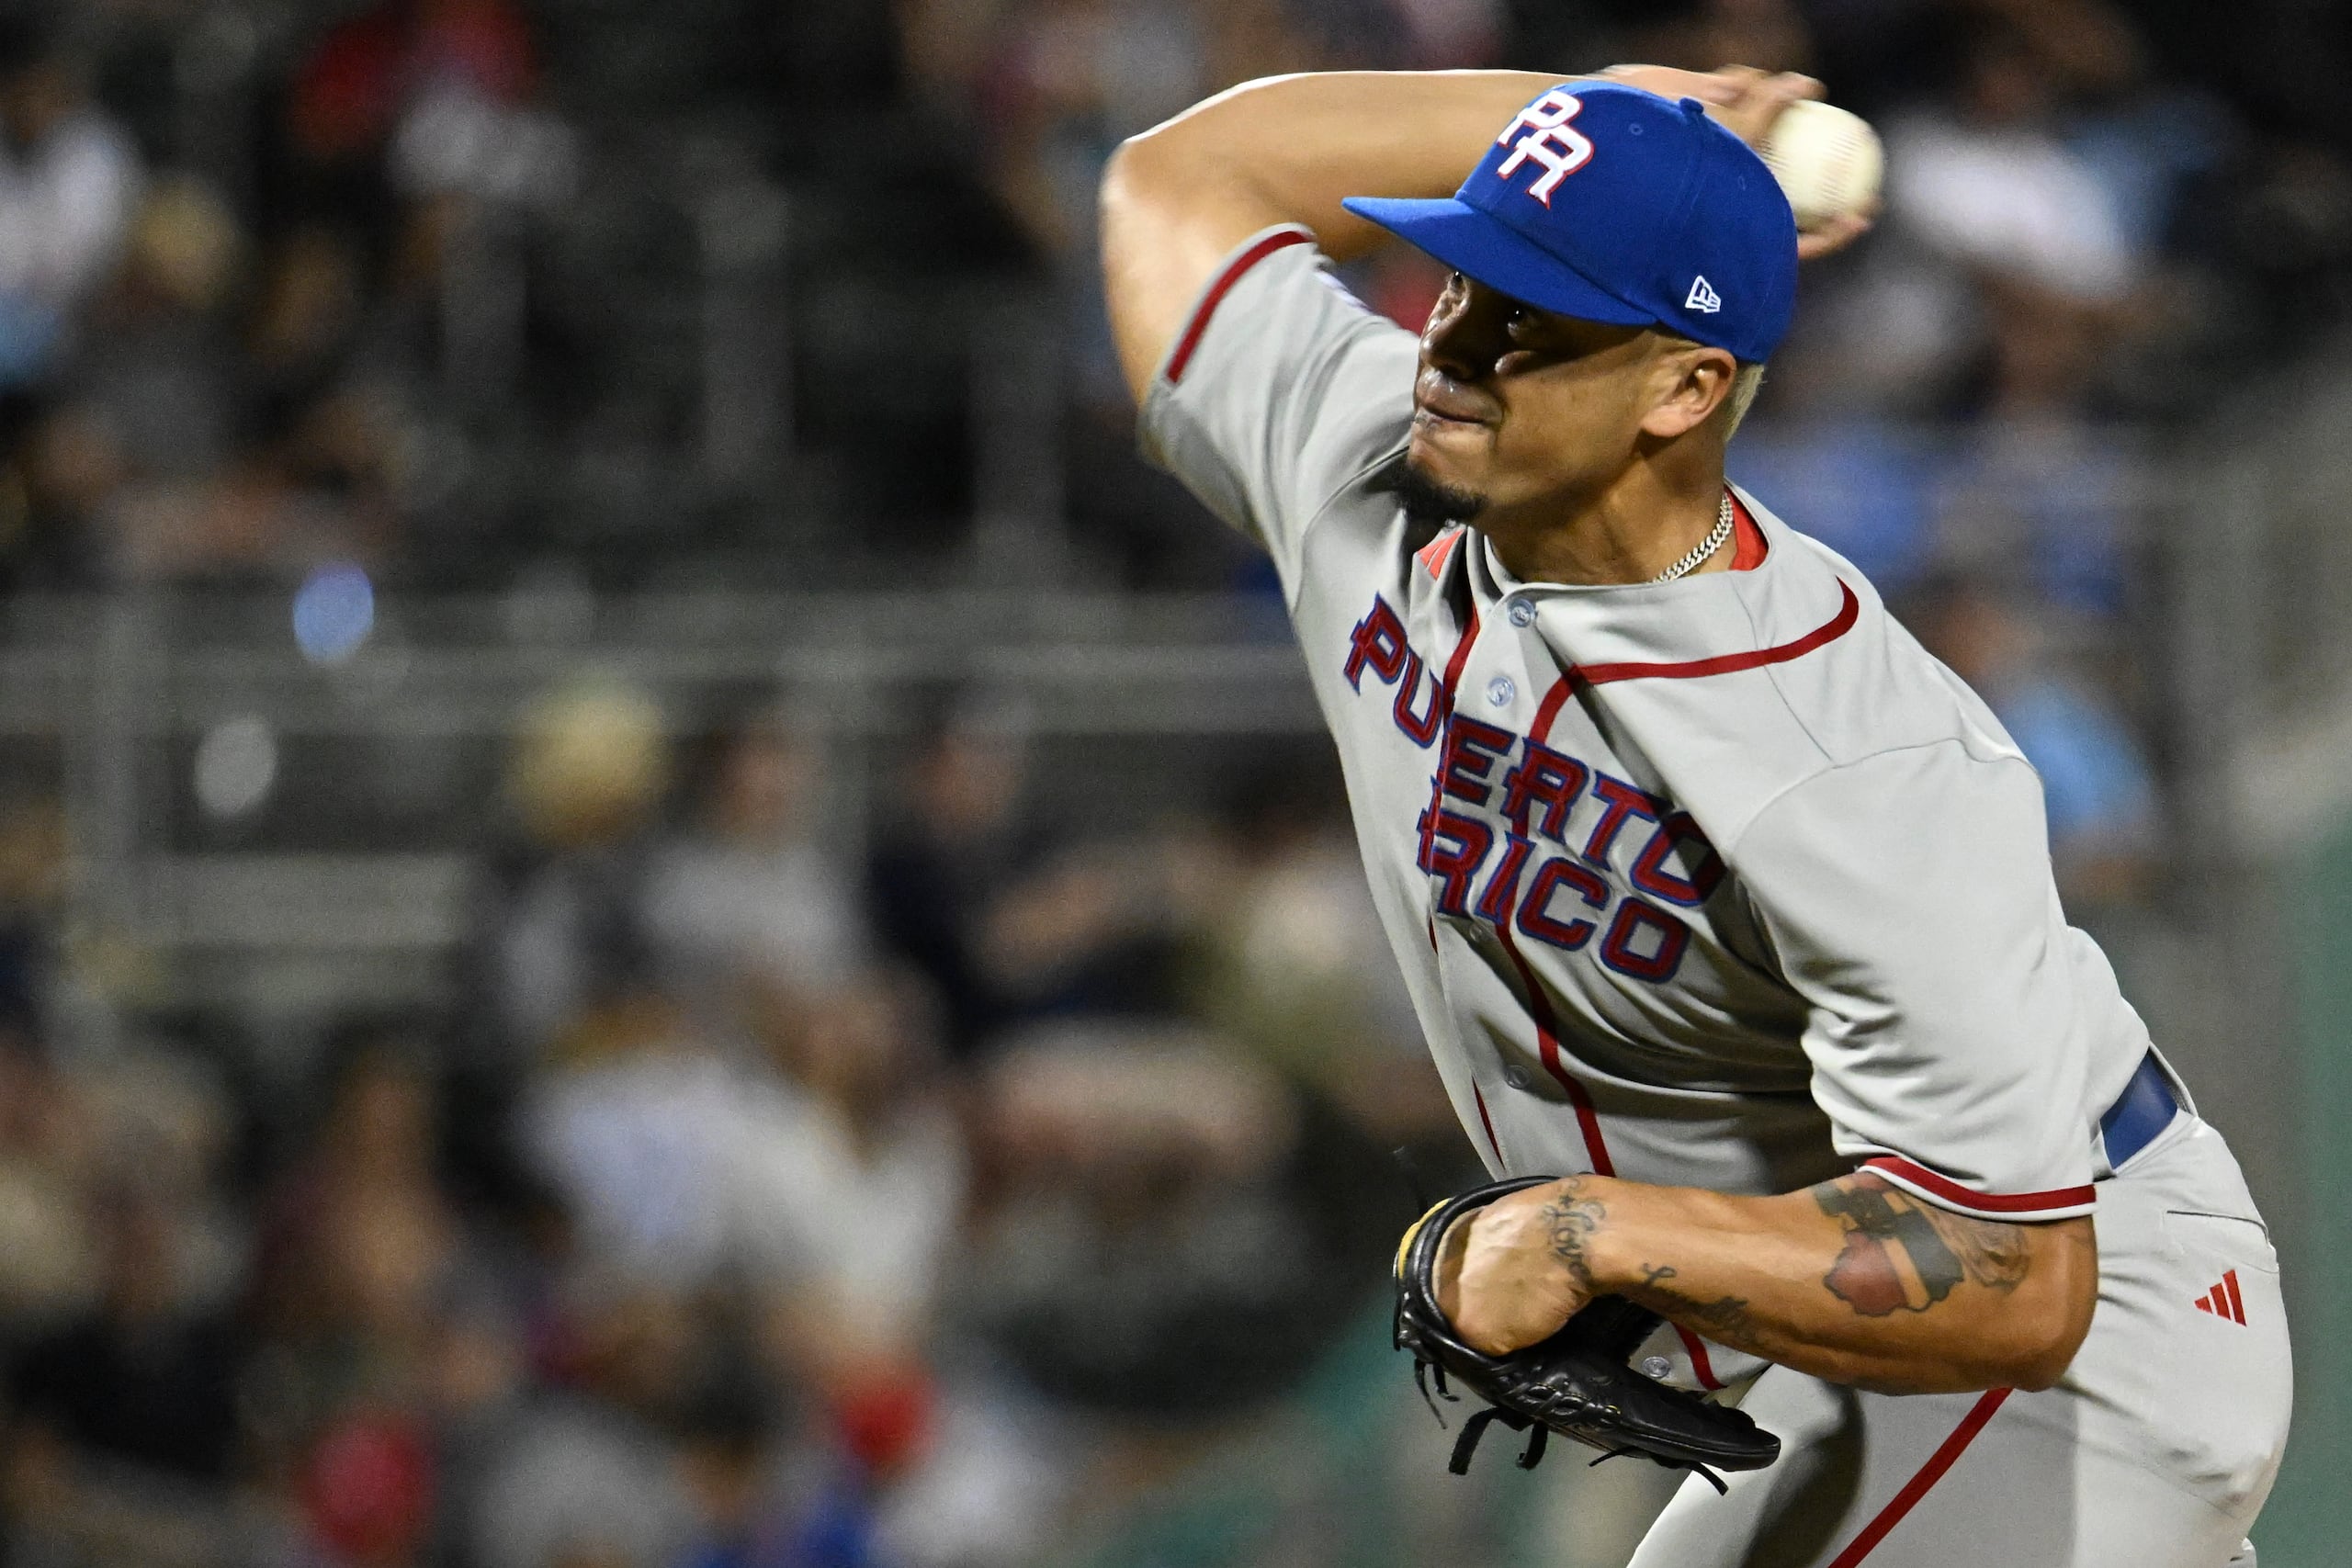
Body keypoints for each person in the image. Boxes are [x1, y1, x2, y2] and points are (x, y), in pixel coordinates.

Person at [1098, 63, 2284, 1566]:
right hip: (1845, 1355)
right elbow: (1173, 185)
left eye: (1533, 316)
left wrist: (1588, 1234)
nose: (1452, 347)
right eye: (1458, 282)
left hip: (2079, 1323)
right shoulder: (1365, 456)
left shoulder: (1855, 754)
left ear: (1683, 386)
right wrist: (1583, 119)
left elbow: (2015, 1274)